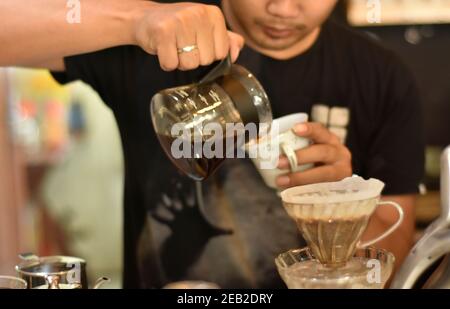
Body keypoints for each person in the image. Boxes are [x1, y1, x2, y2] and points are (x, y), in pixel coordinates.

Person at [0, 0, 424, 288]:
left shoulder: (381, 76)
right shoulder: (161, 34)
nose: (282, 7)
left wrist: (345, 202)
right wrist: (134, 21)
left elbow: (396, 236)